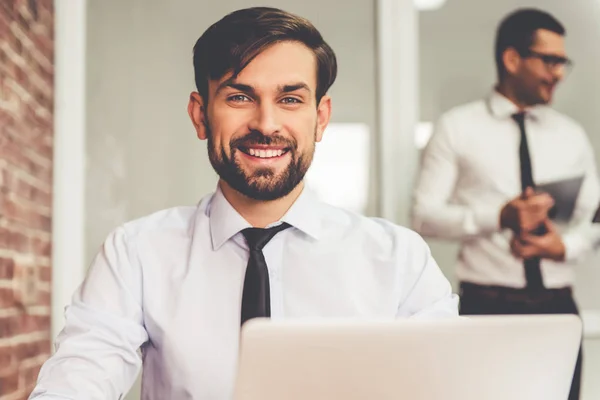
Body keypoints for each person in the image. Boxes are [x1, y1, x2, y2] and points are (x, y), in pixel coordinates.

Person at [30, 7, 458, 400]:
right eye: (239, 97)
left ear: (321, 117)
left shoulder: (399, 260)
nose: (266, 124)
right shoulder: (136, 253)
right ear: (201, 115)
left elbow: (451, 386)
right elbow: (81, 376)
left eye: (290, 99)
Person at [411, 8, 599, 400]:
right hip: (486, 303)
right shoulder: (457, 128)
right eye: (549, 60)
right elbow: (423, 216)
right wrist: (499, 216)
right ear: (512, 59)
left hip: (558, 307)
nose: (559, 73)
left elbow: (595, 219)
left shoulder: (571, 136)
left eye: (563, 62)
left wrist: (566, 245)